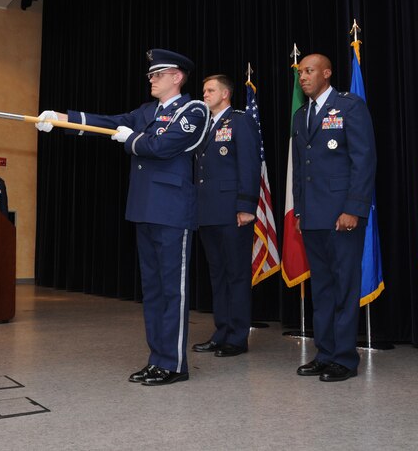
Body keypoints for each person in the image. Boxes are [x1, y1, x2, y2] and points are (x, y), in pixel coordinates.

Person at [36, 49, 209, 385]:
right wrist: (61, 118)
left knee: (174, 291)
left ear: (177, 77)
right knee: (154, 290)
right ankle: (157, 358)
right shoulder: (146, 111)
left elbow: (164, 146)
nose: (152, 79)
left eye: (158, 74)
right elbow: (110, 122)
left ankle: (174, 364)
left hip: (172, 211)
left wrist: (134, 140)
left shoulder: (193, 110)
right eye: (151, 75)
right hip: (144, 208)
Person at [291, 53, 376, 382]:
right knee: (322, 289)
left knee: (343, 287)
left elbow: (363, 159)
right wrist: (299, 210)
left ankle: (344, 358)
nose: (304, 77)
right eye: (301, 73)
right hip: (313, 216)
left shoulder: (349, 106)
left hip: (343, 215)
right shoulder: (301, 116)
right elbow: (301, 170)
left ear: (327, 72)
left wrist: (354, 208)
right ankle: (325, 353)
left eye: (309, 71)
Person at [192, 75, 260, 358]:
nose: (204, 94)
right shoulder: (204, 125)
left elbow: (249, 164)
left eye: (210, 90)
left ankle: (237, 337)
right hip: (207, 212)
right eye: (204, 89)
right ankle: (221, 332)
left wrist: (246, 205)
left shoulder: (240, 121)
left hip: (233, 211)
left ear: (225, 94)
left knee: (236, 275)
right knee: (217, 275)